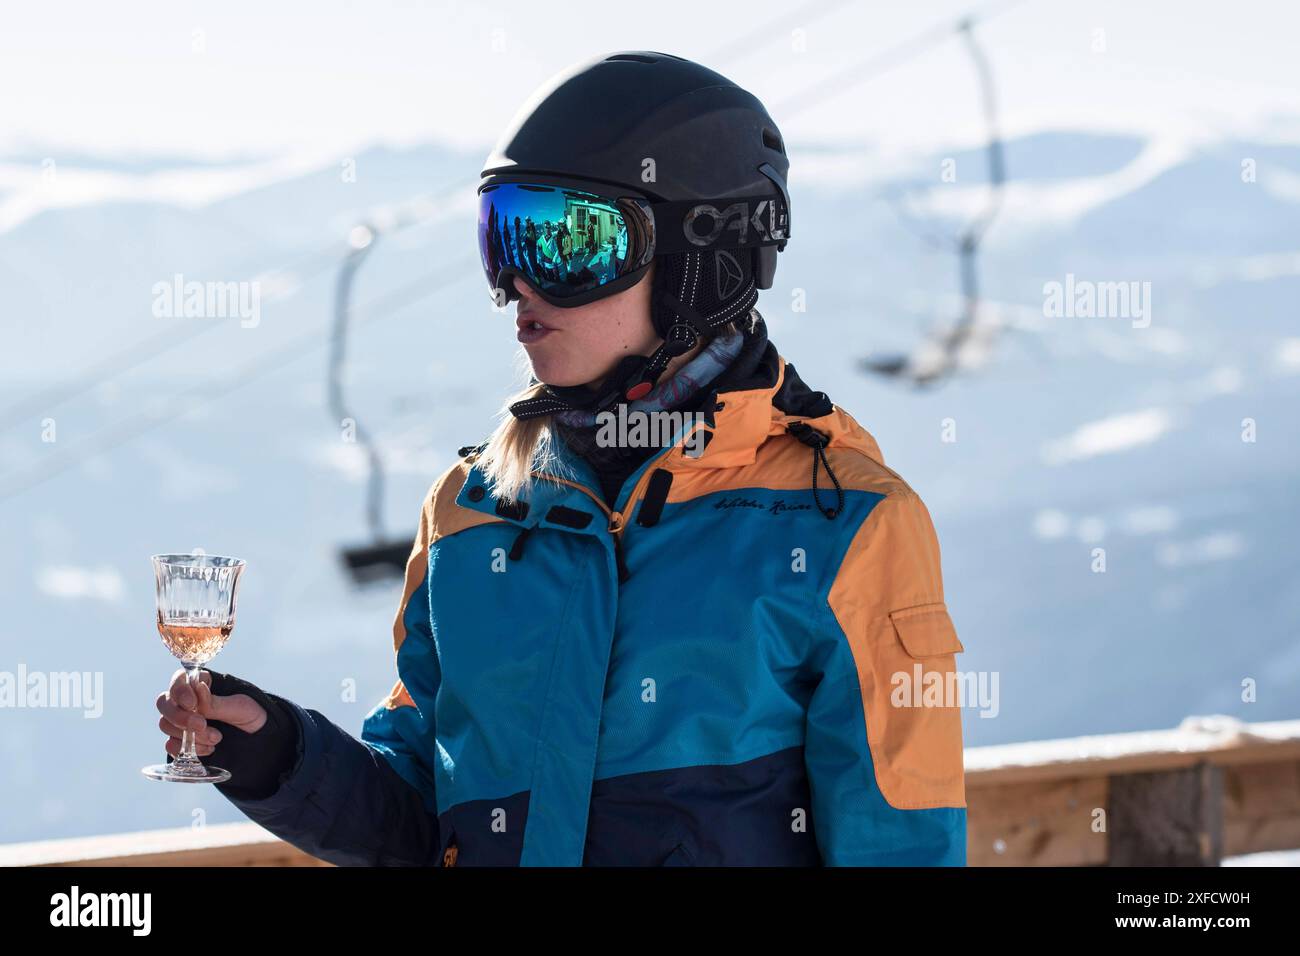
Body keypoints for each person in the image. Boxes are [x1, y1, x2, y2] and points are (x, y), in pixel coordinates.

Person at [155, 50, 967, 867]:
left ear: (700, 260)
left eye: (570, 241)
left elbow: (899, 848)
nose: (518, 284)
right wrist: (280, 755)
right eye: (502, 235)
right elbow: (424, 821)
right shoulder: (472, 509)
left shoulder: (846, 525)